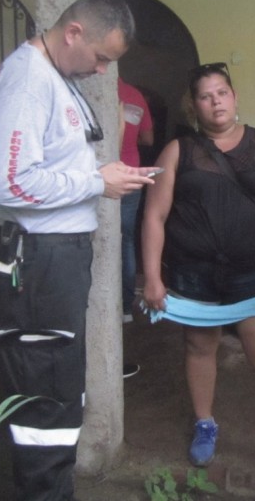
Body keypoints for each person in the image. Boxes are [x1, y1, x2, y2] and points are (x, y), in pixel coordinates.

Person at [0, 0, 156, 501]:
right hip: (39, 260)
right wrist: (95, 183)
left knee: (58, 390)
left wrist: (104, 175)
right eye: (102, 58)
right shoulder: (27, 81)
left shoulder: (53, 77)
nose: (103, 71)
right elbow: (10, 183)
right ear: (74, 32)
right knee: (46, 396)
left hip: (55, 258)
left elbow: (52, 164)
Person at [140, 62, 255, 481]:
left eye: (221, 92)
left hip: (252, 276)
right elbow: (155, 216)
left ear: (234, 97)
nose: (215, 101)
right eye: (205, 96)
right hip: (193, 277)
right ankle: (205, 423)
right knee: (201, 350)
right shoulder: (177, 152)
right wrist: (153, 276)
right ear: (195, 106)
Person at [119, 77, 155, 324]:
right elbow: (148, 139)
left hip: (98, 176)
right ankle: (124, 308)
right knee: (126, 240)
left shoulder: (81, 88)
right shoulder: (134, 95)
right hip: (130, 175)